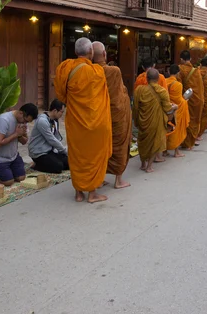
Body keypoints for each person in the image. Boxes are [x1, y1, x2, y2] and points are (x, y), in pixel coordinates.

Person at [54, 37, 112, 203]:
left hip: (75, 120)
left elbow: (60, 95)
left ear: (75, 52)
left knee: (77, 155)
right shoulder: (97, 71)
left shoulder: (64, 68)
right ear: (91, 52)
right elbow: (100, 97)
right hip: (94, 121)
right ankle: (92, 194)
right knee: (92, 155)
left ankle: (78, 193)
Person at [92, 41, 132, 189]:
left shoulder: (89, 71)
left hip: (98, 115)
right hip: (116, 114)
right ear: (104, 54)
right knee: (119, 145)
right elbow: (119, 94)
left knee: (100, 147)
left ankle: (99, 178)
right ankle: (118, 180)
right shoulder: (113, 71)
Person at [0, 103, 38, 187]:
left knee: (21, 178)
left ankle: (8, 170)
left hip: (12, 155)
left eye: (27, 122)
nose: (25, 123)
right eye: (25, 121)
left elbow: (24, 141)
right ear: (21, 113)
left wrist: (20, 135)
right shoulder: (3, 120)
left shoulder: (23, 121)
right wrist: (16, 134)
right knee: (8, 182)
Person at [133, 68, 175, 173]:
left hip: (143, 120)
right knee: (155, 142)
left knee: (143, 141)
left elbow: (135, 107)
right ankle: (149, 167)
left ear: (147, 78)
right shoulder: (162, 91)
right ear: (158, 79)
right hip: (156, 121)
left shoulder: (139, 90)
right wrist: (175, 107)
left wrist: (136, 119)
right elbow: (167, 108)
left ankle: (143, 164)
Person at [28, 99, 69, 174]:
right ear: (55, 111)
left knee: (69, 163)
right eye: (61, 112)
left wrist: (61, 153)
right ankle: (36, 165)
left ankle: (50, 162)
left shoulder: (54, 120)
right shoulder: (42, 121)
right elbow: (52, 140)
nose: (62, 114)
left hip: (49, 151)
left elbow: (57, 138)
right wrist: (64, 151)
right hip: (39, 153)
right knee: (58, 167)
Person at [178, 50, 204, 149]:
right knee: (194, 120)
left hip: (187, 99)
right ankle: (192, 141)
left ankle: (186, 142)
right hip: (198, 100)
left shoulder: (180, 69)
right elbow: (200, 87)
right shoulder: (197, 71)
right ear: (190, 59)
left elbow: (179, 86)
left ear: (181, 59)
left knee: (187, 120)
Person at [164, 65, 190, 158]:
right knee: (176, 129)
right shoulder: (178, 84)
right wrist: (185, 101)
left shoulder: (164, 82)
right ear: (178, 73)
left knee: (167, 128)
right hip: (176, 110)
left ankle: (165, 150)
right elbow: (179, 100)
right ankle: (176, 151)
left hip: (167, 108)